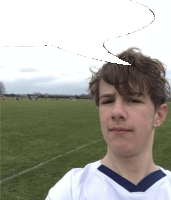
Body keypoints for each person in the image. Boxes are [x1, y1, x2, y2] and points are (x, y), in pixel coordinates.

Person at [45, 47, 171, 200]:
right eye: (108, 101)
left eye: (132, 100)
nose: (116, 112)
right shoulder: (71, 190)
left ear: (158, 115)